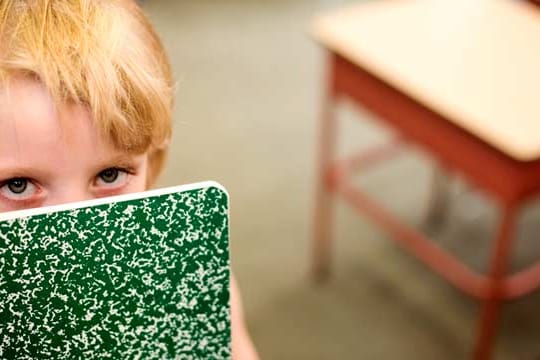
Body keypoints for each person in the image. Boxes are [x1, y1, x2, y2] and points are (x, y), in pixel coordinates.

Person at [0, 1, 258, 358]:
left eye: (109, 175)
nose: (78, 233)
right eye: (18, 185)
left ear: (151, 163)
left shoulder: (190, 280)